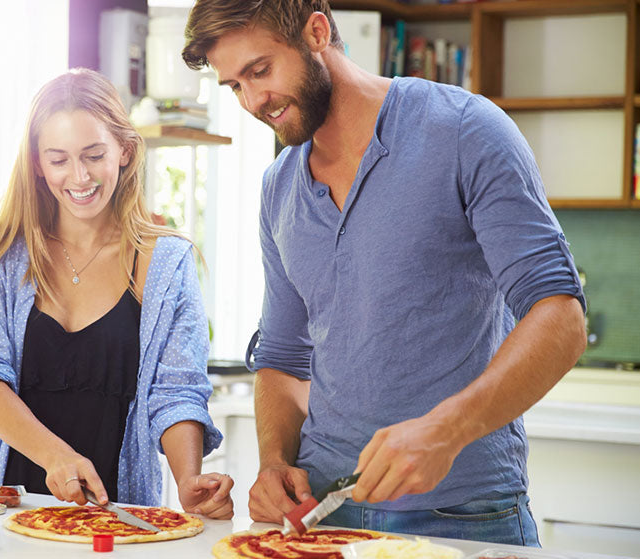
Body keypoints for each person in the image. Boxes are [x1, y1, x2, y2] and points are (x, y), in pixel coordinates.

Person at [182, 0, 587, 544]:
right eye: (235, 86)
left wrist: (446, 432)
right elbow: (283, 357)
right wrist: (275, 461)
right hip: (323, 518)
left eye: (261, 70)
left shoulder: (466, 130)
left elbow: (560, 316)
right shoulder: (278, 187)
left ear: (317, 32)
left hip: (464, 513)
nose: (255, 101)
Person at [0, 68, 234, 519]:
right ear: (38, 165)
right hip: (2, 512)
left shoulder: (167, 263)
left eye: (93, 154)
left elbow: (176, 392)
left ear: (124, 150)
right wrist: (56, 457)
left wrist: (188, 481)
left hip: (118, 518)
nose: (79, 177)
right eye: (58, 159)